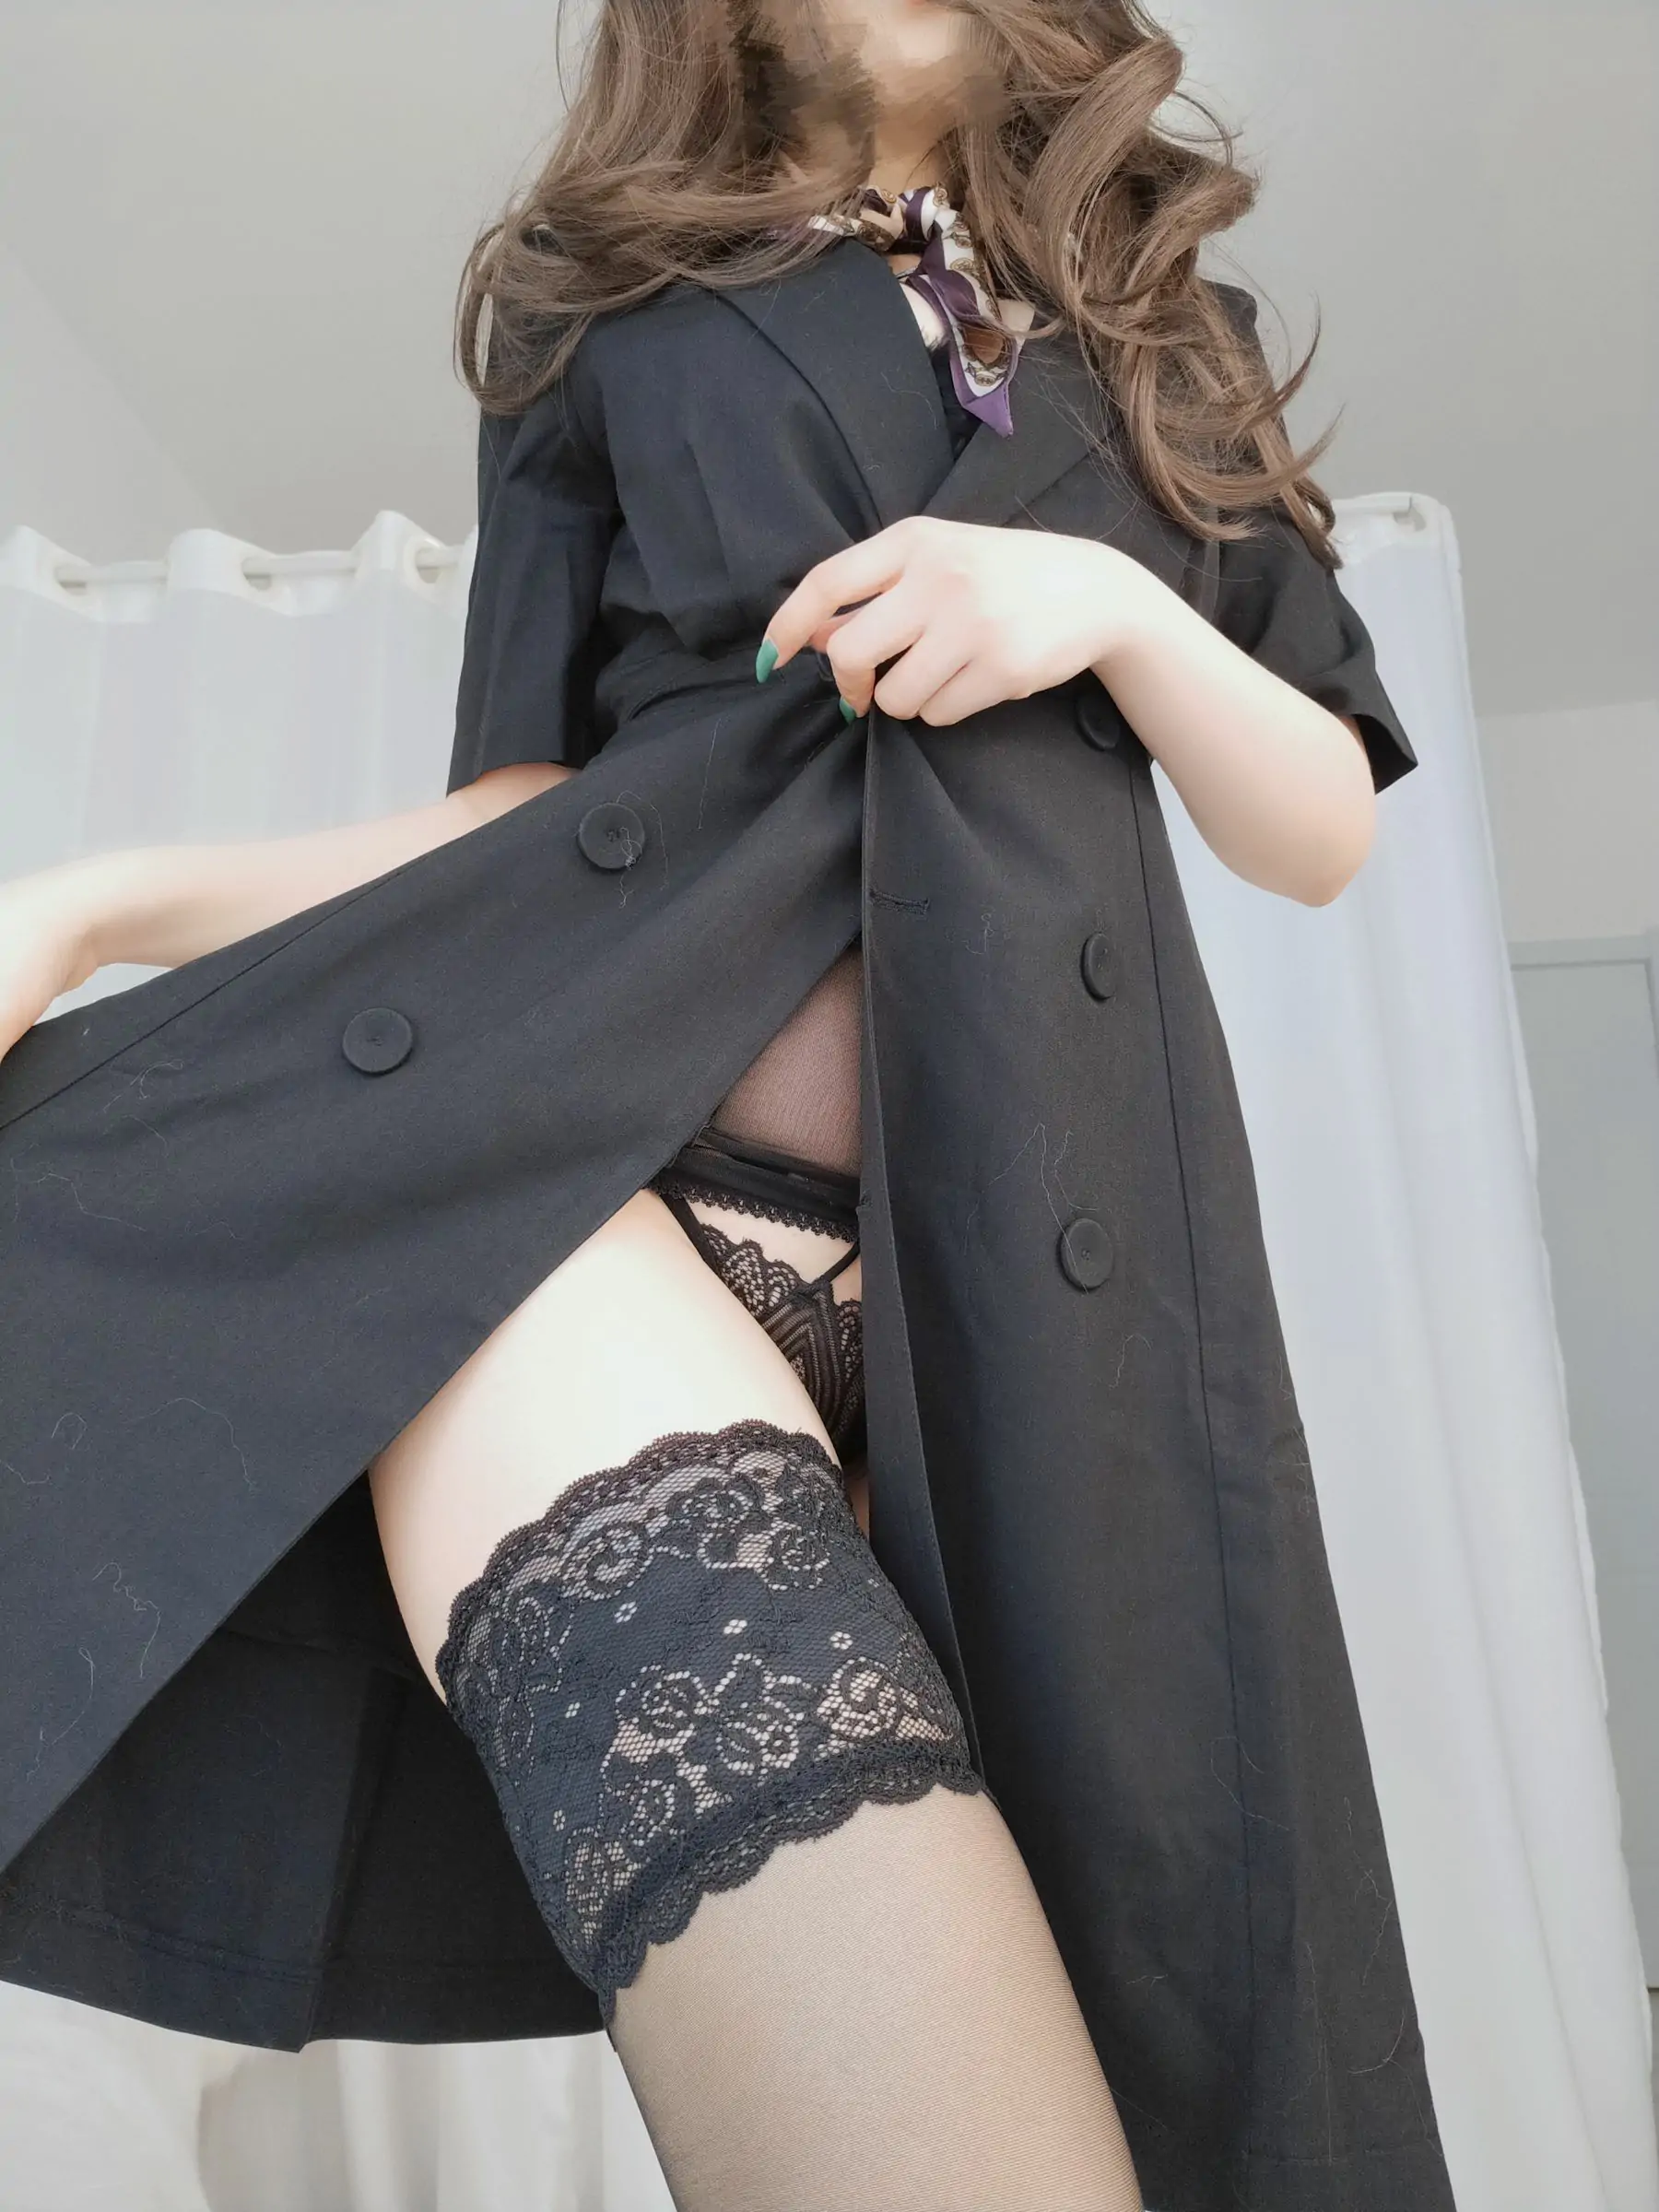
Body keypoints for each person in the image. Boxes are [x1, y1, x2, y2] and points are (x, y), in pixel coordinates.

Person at [0, 1, 1458, 2207]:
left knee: (1164, 2065)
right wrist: (98, 905)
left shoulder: (1168, 323)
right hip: (593, 1214)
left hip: (1059, 1300)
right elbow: (518, 815)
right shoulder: (597, 307)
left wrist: (1099, 606)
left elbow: (1321, 817)